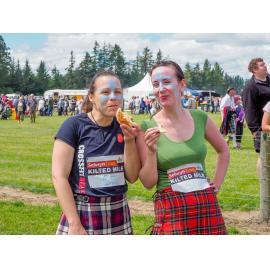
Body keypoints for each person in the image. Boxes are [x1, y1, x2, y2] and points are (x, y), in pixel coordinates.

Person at [136, 61, 229, 235]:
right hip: (172, 207)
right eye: (156, 84)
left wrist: (217, 183)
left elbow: (223, 150)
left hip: (204, 202)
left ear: (181, 84)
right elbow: (148, 183)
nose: (160, 89)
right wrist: (150, 151)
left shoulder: (200, 117)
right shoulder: (148, 126)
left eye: (166, 82)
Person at [52, 70, 140, 235]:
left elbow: (133, 176)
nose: (113, 97)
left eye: (118, 92)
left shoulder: (125, 126)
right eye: (105, 92)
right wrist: (74, 223)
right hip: (82, 212)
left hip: (118, 209)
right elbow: (59, 176)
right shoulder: (73, 125)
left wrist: (129, 141)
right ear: (91, 97)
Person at [242, 58, 270, 175]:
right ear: (254, 70)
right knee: (264, 156)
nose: (265, 66)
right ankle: (263, 183)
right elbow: (249, 110)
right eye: (262, 65)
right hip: (262, 128)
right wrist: (255, 131)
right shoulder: (250, 87)